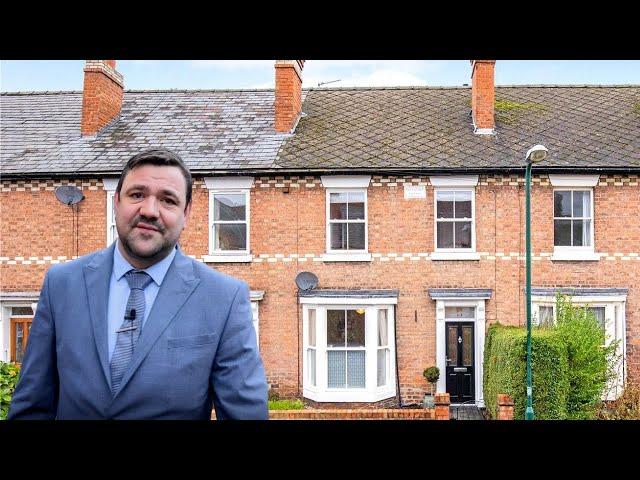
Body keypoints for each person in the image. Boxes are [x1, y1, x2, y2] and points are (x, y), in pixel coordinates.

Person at [8, 148, 268, 420]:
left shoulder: (224, 298)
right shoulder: (61, 284)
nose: (149, 210)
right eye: (137, 195)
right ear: (117, 201)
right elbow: (32, 407)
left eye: (168, 200)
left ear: (186, 213)